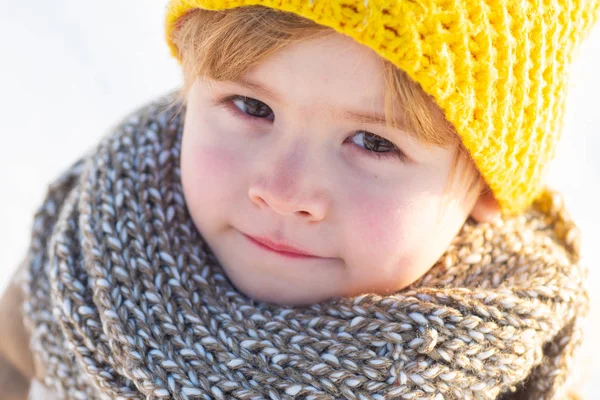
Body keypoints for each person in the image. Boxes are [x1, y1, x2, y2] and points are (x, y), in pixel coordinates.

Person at [1, 1, 598, 399]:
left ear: (485, 185)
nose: (284, 194)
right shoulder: (86, 263)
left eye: (373, 142)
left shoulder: (513, 367)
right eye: (252, 107)